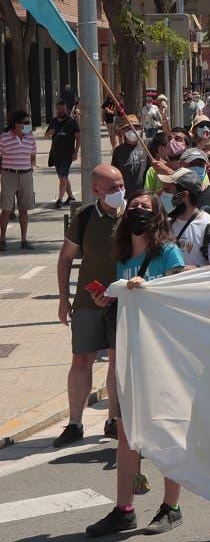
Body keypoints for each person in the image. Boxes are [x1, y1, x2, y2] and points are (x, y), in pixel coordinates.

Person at [83, 192, 187, 537]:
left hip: (162, 356)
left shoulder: (167, 253)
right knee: (126, 436)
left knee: (166, 432)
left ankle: (171, 507)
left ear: (157, 216)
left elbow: (179, 295)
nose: (138, 211)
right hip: (131, 354)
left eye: (146, 207)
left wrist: (150, 287)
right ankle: (124, 509)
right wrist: (104, 300)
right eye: (134, 207)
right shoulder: (122, 256)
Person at [54, 164, 125, 447]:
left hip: (124, 303)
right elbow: (65, 258)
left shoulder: (134, 215)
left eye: (121, 185)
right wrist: (63, 298)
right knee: (81, 359)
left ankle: (113, 419)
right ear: (96, 190)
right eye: (112, 188)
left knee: (118, 362)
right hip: (88, 302)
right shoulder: (84, 218)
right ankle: (75, 422)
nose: (120, 191)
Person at [158, 170, 210, 267]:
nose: (162, 194)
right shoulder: (164, 224)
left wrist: (193, 270)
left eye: (167, 190)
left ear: (184, 195)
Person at [0, 109, 37, 250]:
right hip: (9, 175)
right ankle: (2, 240)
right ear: (16, 124)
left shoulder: (30, 138)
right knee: (6, 209)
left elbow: (33, 156)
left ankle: (24, 240)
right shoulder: (4, 138)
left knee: (24, 210)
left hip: (26, 175)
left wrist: (30, 167)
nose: (28, 125)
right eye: (25, 123)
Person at [46, 99, 80, 207]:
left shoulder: (72, 122)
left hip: (67, 154)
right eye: (59, 108)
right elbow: (46, 135)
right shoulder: (54, 121)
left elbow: (79, 138)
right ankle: (71, 197)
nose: (61, 110)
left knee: (63, 175)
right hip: (56, 154)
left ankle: (59, 200)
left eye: (63, 109)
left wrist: (76, 152)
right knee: (63, 176)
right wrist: (49, 133)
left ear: (67, 109)